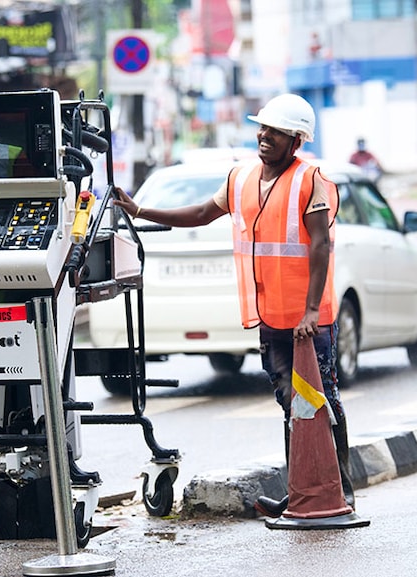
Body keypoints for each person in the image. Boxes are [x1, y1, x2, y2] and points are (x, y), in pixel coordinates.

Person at [113, 93, 354, 518]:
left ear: (296, 141)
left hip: (308, 321)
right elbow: (204, 212)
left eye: (276, 131)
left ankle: (341, 489)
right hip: (270, 316)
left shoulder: (311, 180)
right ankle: (302, 490)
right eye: (262, 128)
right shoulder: (241, 178)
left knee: (322, 399)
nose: (265, 136)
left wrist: (312, 311)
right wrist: (141, 209)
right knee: (290, 404)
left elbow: (319, 245)